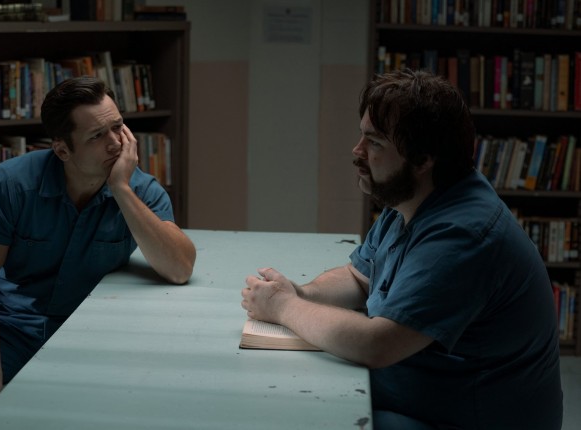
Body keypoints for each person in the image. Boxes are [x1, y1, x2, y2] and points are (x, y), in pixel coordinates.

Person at [241, 69, 563, 429]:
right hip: (431, 398)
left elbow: (377, 344)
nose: (357, 151)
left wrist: (284, 306)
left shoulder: (463, 235)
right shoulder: (412, 201)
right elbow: (359, 278)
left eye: (375, 143)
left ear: (423, 159)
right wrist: (302, 293)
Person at [0, 76, 196, 428]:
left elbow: (179, 268)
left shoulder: (141, 190)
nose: (116, 144)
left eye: (118, 127)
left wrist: (121, 188)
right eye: (97, 136)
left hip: (94, 339)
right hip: (9, 328)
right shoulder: (10, 185)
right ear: (62, 150)